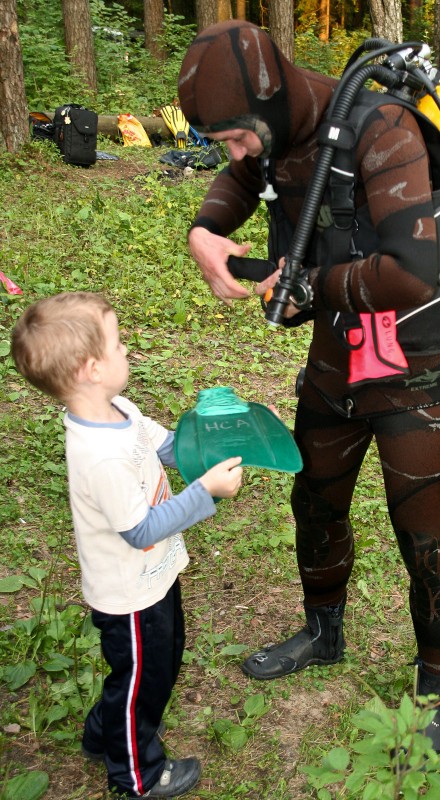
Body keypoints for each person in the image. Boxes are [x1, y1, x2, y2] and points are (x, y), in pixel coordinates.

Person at [178, 20, 440, 751]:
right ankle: (323, 632)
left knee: (424, 534)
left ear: (272, 103)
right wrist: (206, 229)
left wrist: (305, 281)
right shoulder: (277, 137)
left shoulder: (381, 128)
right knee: (315, 499)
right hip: (338, 358)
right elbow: (246, 176)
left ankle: (437, 689)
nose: (238, 151)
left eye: (240, 135)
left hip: (415, 367)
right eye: (225, 142)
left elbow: (411, 269)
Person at [11, 291, 243, 798]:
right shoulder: (99, 457)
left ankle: (103, 735)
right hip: (129, 596)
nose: (127, 350)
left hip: (155, 577)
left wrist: (209, 447)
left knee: (161, 663)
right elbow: (139, 530)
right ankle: (135, 774)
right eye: (118, 344)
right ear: (92, 368)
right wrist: (205, 492)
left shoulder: (118, 410)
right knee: (141, 683)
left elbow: (163, 445)